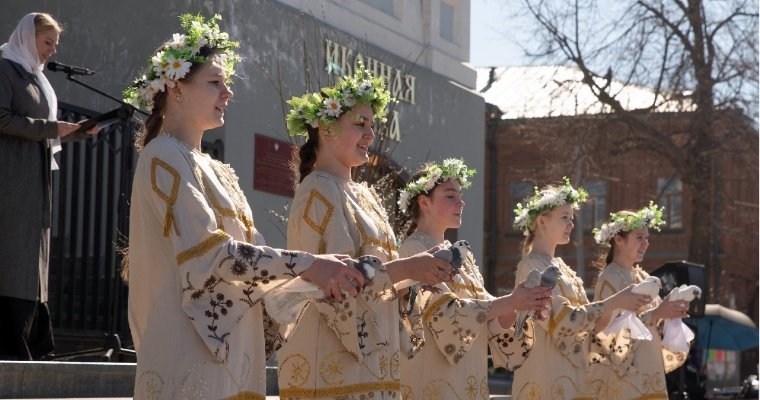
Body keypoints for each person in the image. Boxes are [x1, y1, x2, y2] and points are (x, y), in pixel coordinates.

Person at [124, 14, 365, 399]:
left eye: (227, 84)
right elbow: (213, 256)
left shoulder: (221, 170)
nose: (228, 93)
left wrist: (320, 280)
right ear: (176, 87)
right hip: (187, 355)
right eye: (215, 83)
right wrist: (312, 266)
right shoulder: (163, 155)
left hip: (239, 356)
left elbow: (256, 267)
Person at [276, 67, 456, 399]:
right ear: (326, 128)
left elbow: (382, 279)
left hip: (376, 361)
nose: (370, 134)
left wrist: (414, 279)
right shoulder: (317, 190)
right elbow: (332, 283)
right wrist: (407, 269)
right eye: (360, 124)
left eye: (372, 126)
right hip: (334, 363)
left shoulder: (366, 195)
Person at [396, 158, 552, 399]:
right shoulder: (414, 250)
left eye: (460, 194)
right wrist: (511, 301)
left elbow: (488, 318)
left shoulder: (462, 255)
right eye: (450, 195)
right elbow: (447, 315)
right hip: (434, 379)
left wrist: (522, 304)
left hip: (470, 379)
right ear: (424, 202)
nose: (461, 202)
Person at [0, 12, 97, 361]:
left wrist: (75, 132)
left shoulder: (34, 76)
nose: (52, 51)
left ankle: (33, 341)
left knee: (30, 256)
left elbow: (43, 129)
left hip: (33, 180)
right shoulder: (5, 68)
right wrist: (54, 128)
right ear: (28, 38)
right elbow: (2, 118)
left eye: (55, 44)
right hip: (10, 181)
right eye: (47, 43)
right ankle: (13, 343)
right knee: (12, 254)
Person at [510, 178, 652, 399]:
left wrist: (618, 308)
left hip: (574, 377)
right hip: (547, 378)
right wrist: (614, 302)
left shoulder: (562, 268)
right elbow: (563, 320)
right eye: (565, 217)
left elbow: (591, 327)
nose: (571, 224)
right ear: (541, 221)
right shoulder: (532, 266)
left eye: (572, 218)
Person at [589, 203, 690, 399]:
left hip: (649, 369)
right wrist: (657, 313)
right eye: (639, 238)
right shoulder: (610, 278)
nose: (646, 243)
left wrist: (670, 312)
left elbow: (653, 322)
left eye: (647, 238)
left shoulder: (643, 276)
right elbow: (608, 334)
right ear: (619, 240)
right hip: (626, 378)